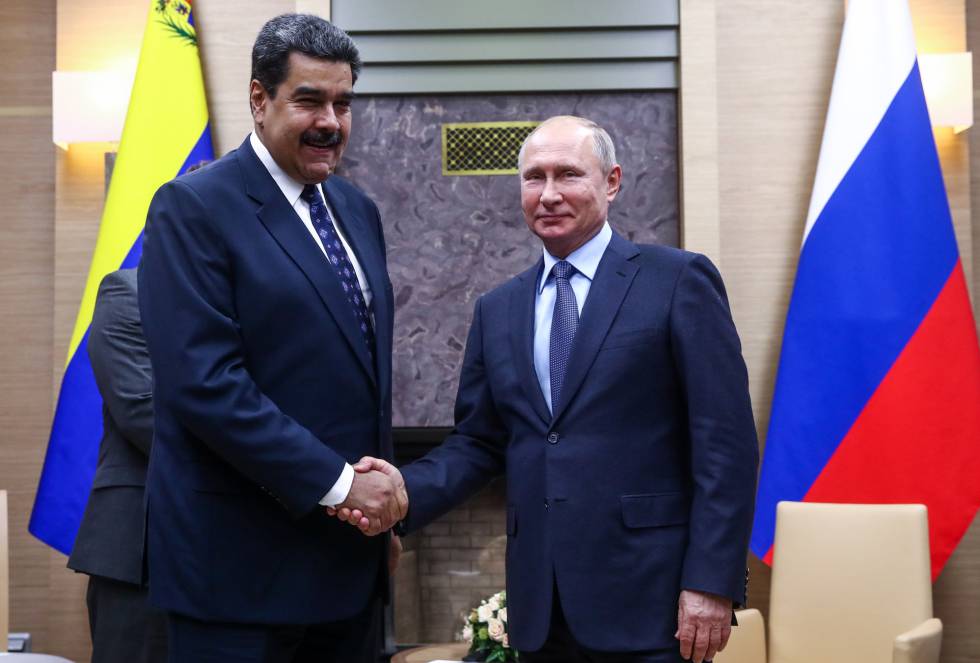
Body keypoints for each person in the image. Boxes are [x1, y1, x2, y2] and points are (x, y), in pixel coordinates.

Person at [338, 116, 759, 663]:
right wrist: (400, 496)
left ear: (611, 182)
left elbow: (725, 445)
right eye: (534, 178)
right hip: (541, 612)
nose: (550, 194)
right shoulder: (498, 310)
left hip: (652, 603)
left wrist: (711, 580)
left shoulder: (677, 281)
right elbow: (479, 444)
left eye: (569, 175)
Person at [138, 13, 405, 663]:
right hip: (239, 579)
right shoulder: (193, 208)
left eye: (343, 103)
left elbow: (358, 369)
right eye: (309, 100)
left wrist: (377, 507)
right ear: (259, 99)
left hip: (347, 570)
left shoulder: (356, 210)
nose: (331, 122)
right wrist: (343, 485)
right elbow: (205, 386)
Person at [68, 268, 167, 663]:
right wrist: (273, 465)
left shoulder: (250, 300)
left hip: (244, 551)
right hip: (140, 545)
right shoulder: (129, 289)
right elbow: (141, 410)